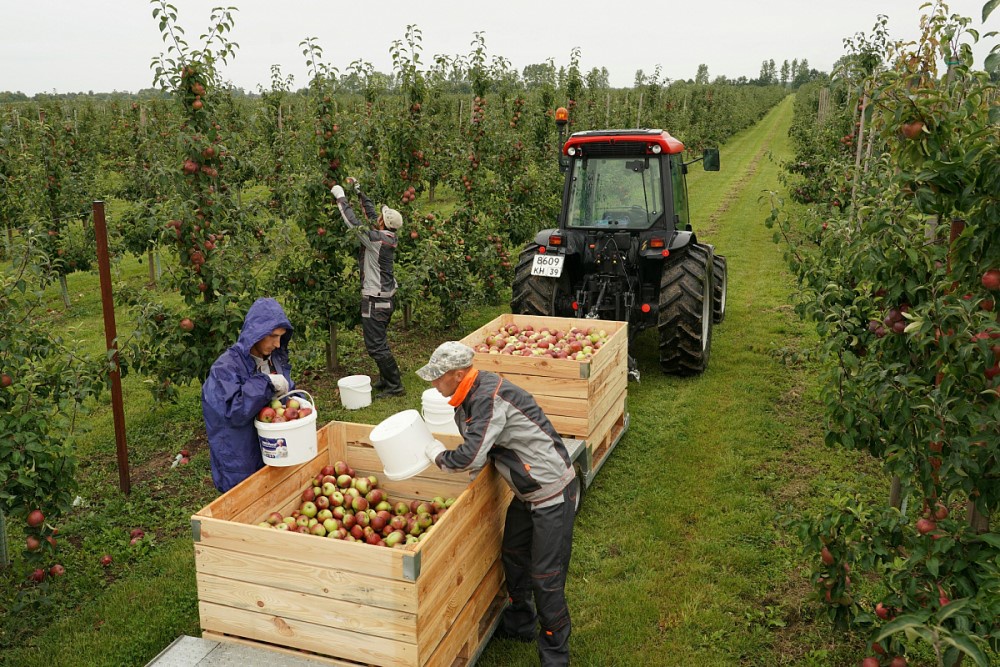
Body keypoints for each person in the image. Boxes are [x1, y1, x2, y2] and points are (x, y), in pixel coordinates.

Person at [417, 341, 578, 667]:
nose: (434, 384)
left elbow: (471, 456)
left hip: (551, 493)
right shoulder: (469, 396)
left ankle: (555, 655)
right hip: (527, 493)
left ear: (458, 373)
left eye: (438, 377)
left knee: (546, 576)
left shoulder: (488, 399)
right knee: (514, 555)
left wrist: (435, 453)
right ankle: (520, 622)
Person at [202, 297, 295, 493]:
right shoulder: (225, 369)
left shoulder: (273, 359)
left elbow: (284, 394)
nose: (277, 344)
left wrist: (297, 403)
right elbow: (232, 410)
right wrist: (266, 384)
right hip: (241, 461)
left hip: (271, 453)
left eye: (281, 336)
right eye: (272, 336)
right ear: (256, 333)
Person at [330, 179, 405, 398]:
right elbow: (371, 214)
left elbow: (353, 224)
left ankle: (395, 386)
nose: (377, 218)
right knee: (379, 340)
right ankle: (386, 379)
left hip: (376, 300)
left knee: (375, 345)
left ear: (383, 223)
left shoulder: (376, 240)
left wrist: (340, 197)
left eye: (380, 217)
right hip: (385, 298)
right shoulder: (386, 235)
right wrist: (359, 190)